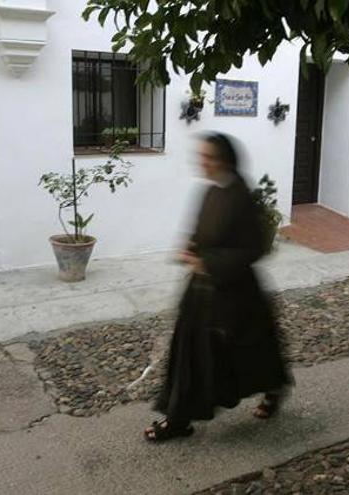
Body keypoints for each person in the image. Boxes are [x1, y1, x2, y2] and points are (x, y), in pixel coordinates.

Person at [145, 132, 293, 442]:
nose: (202, 162)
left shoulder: (242, 197)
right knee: (190, 354)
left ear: (224, 160)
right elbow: (199, 232)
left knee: (250, 352)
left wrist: (209, 263)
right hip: (201, 292)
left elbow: (254, 249)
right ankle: (179, 419)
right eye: (201, 156)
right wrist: (190, 247)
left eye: (208, 157)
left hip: (235, 295)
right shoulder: (210, 192)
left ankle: (273, 389)